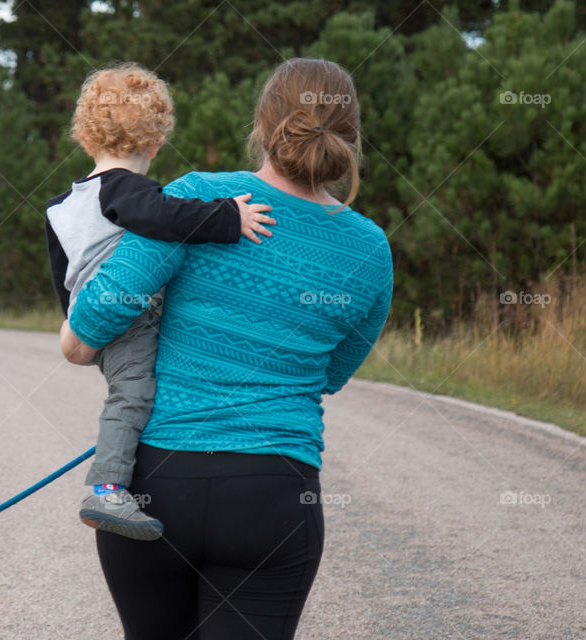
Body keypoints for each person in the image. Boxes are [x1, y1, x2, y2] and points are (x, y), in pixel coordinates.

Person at [60, 58, 393, 639]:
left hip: (155, 483)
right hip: (273, 493)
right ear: (351, 136)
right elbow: (332, 372)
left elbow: (96, 318)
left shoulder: (198, 199)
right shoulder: (368, 249)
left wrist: (79, 339)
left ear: (262, 127)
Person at [46, 63, 275, 541]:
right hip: (129, 321)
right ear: (154, 144)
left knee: (139, 389)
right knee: (132, 396)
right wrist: (228, 217)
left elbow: (61, 277)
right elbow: (165, 217)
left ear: (87, 139)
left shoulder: (63, 205)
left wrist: (78, 329)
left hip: (96, 325)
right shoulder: (130, 191)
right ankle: (106, 489)